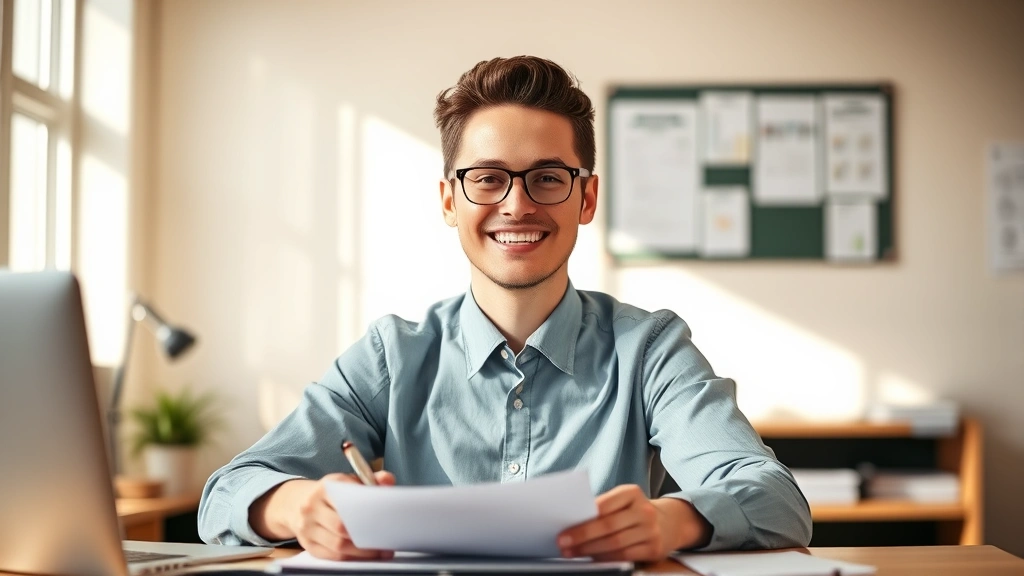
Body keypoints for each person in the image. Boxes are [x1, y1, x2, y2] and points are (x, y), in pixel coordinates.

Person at [198, 56, 812, 562]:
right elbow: (225, 493)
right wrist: (300, 508)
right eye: (488, 178)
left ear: (587, 197)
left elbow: (777, 499)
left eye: (547, 177)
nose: (516, 205)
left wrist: (671, 522)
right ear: (449, 201)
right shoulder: (393, 354)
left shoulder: (650, 349)